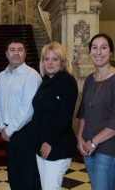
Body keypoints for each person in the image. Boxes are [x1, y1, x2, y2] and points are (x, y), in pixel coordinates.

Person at [77, 33, 115, 190]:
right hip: (88, 147)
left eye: (103, 47)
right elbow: (83, 113)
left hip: (109, 149)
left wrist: (94, 142)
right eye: (94, 48)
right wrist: (80, 138)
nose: (98, 52)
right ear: (90, 52)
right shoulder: (89, 80)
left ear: (111, 52)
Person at [0, 38, 42, 190]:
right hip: (7, 132)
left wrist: (9, 130)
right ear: (6, 54)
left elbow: (27, 108)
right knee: (14, 175)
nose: (16, 53)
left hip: (26, 132)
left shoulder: (31, 75)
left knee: (29, 176)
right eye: (12, 50)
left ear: (25, 53)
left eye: (20, 49)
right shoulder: (1, 76)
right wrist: (2, 126)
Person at [32, 42, 78, 190]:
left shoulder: (67, 81)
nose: (50, 63)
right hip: (42, 144)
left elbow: (65, 116)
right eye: (47, 59)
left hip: (57, 145)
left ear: (62, 62)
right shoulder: (45, 81)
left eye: (55, 59)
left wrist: (49, 143)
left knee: (50, 187)